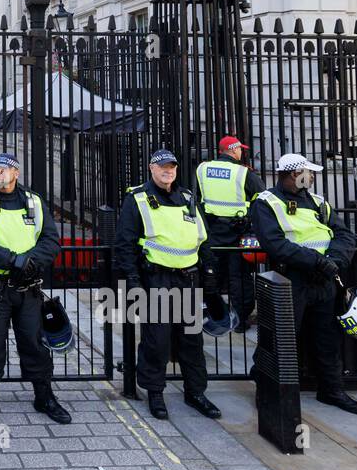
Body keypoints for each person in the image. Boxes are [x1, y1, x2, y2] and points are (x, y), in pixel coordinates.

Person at [251, 153, 357, 416]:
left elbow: (344, 234)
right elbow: (275, 244)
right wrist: (316, 261)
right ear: (294, 174)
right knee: (280, 338)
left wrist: (334, 260)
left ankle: (332, 389)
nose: (312, 177)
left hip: (324, 279)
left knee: (327, 338)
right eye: (309, 172)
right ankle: (266, 389)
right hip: (290, 279)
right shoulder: (266, 202)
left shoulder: (318, 202)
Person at [0, 153, 72, 427]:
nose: (0, 173)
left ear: (16, 173)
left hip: (29, 287)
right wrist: (13, 260)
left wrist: (32, 262)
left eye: (5, 169)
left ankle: (43, 396)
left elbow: (50, 239)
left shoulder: (33, 201)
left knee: (34, 343)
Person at [113, 149, 222, 420]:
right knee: (156, 341)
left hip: (188, 279)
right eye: (162, 167)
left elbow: (203, 239)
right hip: (156, 280)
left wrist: (209, 275)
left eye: (172, 167)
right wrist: (135, 283)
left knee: (191, 341)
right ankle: (155, 392)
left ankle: (195, 392)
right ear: (151, 168)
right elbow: (124, 245)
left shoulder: (187, 198)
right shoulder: (137, 198)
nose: (168, 171)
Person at [195, 136, 265, 330]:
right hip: (238, 232)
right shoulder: (243, 173)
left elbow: (197, 198)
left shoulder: (202, 169)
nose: (242, 152)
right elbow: (262, 199)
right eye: (240, 149)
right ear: (233, 150)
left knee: (211, 275)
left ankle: (214, 319)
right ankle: (240, 322)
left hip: (211, 232)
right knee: (239, 277)